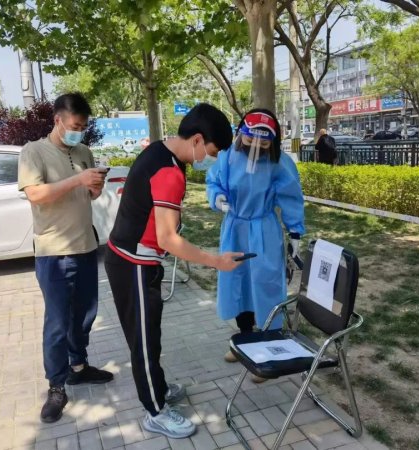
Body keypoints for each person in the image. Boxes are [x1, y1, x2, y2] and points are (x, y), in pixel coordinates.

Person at [104, 103, 243, 439]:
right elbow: (168, 237)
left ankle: (159, 388)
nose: (211, 159)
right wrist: (216, 261)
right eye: (212, 152)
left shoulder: (161, 151)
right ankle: (155, 411)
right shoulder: (169, 172)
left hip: (136, 260)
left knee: (150, 334)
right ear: (197, 140)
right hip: (133, 265)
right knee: (144, 341)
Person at [18, 93, 114, 424]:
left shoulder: (84, 152)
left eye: (83, 127)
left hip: (86, 246)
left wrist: (95, 187)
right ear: (57, 120)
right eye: (75, 126)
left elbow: (88, 194)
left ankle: (78, 367)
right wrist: (78, 179)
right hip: (54, 253)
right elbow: (36, 195)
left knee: (85, 316)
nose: (79, 132)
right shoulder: (33, 152)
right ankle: (56, 386)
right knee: (57, 323)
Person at [206, 108, 305, 377]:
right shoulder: (227, 157)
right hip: (235, 227)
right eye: (252, 138)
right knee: (237, 280)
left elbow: (291, 197)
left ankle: (269, 343)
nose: (257, 145)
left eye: (264, 141)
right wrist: (217, 198)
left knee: (267, 281)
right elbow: (213, 181)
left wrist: (295, 232)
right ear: (241, 133)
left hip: (264, 228)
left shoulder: (279, 162)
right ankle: (245, 338)